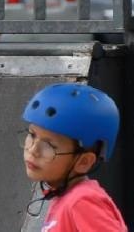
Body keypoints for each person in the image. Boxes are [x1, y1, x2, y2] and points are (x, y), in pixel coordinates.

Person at [18, 82, 125, 232]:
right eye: (32, 135)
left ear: (83, 162)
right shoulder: (66, 197)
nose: (33, 150)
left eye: (49, 145)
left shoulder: (82, 201)